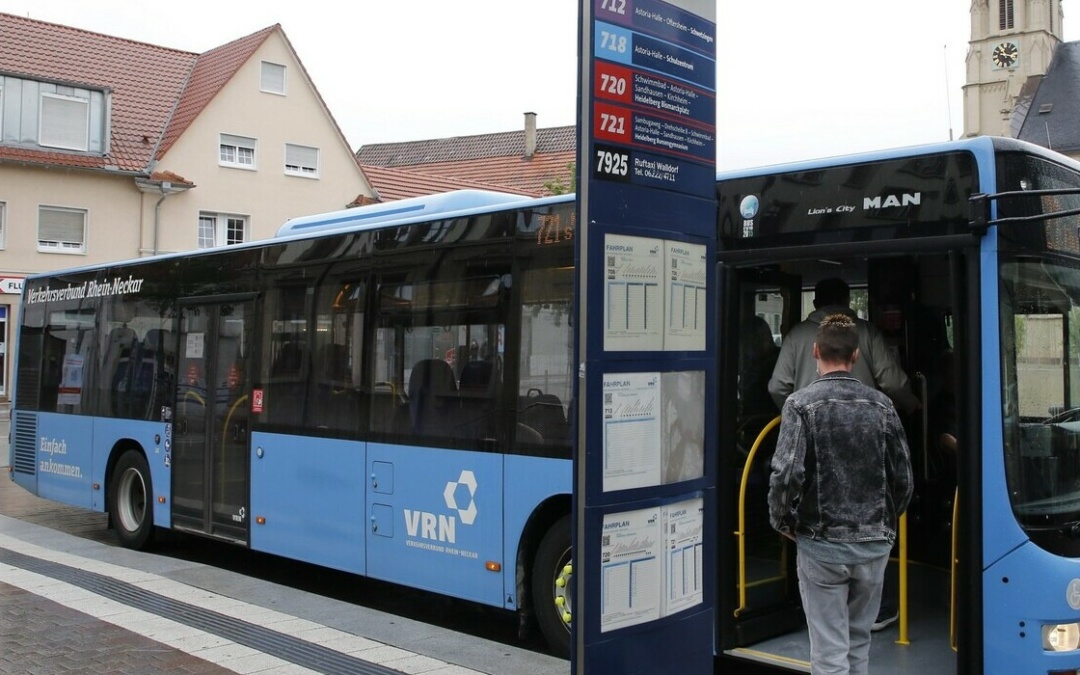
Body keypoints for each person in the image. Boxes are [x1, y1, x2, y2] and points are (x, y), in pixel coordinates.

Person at [768, 277, 916, 631]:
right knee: (857, 636)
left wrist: (789, 415)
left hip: (816, 501)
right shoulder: (868, 342)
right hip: (867, 488)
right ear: (855, 355)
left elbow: (777, 386)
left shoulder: (797, 348)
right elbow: (903, 479)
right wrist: (915, 405)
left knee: (828, 640)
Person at [767, 277, 920, 415]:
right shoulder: (867, 332)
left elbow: (777, 387)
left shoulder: (796, 334)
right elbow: (893, 383)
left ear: (815, 304)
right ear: (847, 300)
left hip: (811, 428)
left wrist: (796, 414)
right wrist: (912, 404)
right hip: (862, 424)